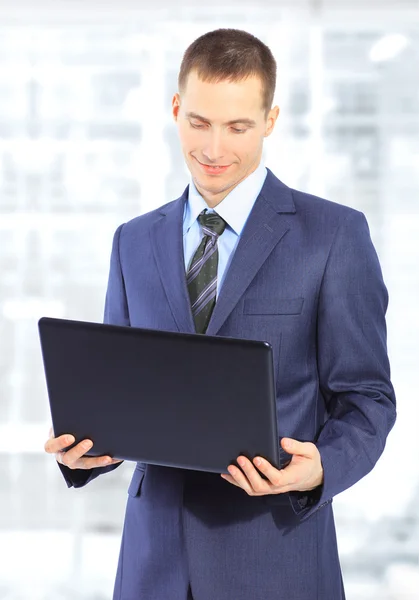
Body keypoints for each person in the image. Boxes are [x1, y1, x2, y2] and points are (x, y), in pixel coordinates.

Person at [44, 28, 396, 600]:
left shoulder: (332, 237)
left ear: (270, 119)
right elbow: (119, 386)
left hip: (274, 558)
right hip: (152, 563)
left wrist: (321, 468)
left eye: (238, 127)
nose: (214, 148)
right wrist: (88, 449)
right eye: (200, 123)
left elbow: (368, 398)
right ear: (177, 109)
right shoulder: (133, 241)